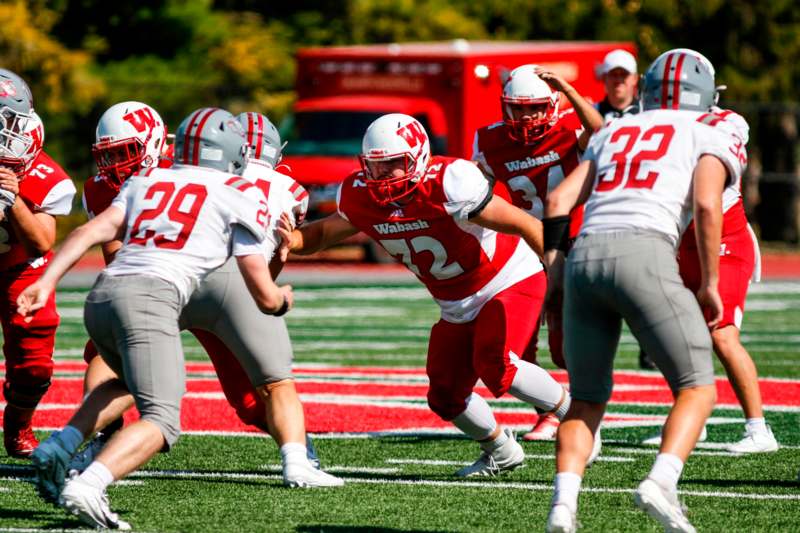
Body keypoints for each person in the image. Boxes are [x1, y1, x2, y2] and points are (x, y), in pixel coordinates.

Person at [22, 107, 293, 530]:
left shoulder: (144, 181)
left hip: (104, 295)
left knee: (128, 382)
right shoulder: (239, 189)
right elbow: (257, 282)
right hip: (154, 297)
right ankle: (91, 483)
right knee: (162, 418)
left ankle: (61, 444)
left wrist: (47, 281)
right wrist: (279, 302)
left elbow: (88, 233)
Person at [280, 113, 584, 478]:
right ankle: (501, 450)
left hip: (508, 277)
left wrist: (560, 280)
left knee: (496, 364)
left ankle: (579, 417)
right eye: (376, 166)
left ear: (419, 157)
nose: (384, 175)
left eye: (395, 164)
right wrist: (289, 239)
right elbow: (319, 237)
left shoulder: (450, 183)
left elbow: (526, 223)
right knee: (444, 396)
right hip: (455, 302)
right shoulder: (361, 196)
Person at [73, 103, 338, 487]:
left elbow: (247, 239)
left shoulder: (182, 168)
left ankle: (298, 449)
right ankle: (101, 438)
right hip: (158, 285)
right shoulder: (103, 188)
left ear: (152, 145)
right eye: (108, 155)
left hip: (213, 283)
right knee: (105, 358)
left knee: (250, 399)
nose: (114, 164)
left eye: (125, 153)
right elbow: (117, 255)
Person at [541, 50, 743, 532]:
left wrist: (555, 270)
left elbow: (557, 200)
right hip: (646, 249)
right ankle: (662, 481)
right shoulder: (708, 131)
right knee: (696, 386)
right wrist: (711, 282)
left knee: (586, 398)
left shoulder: (612, 129)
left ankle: (563, 508)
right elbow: (707, 205)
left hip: (585, 256)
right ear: (704, 94)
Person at [639, 50, 778, 454]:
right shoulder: (651, 125)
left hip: (724, 244)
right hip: (682, 244)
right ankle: (692, 421)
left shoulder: (726, 124)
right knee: (677, 337)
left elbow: (706, 196)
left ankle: (759, 429)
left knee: (722, 336)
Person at [472, 64, 603, 441]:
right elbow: (478, 193)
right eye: (518, 108)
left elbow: (601, 131)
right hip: (524, 249)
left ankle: (582, 408)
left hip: (572, 244)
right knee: (517, 340)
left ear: (552, 105)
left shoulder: (568, 127)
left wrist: (569, 90)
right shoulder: (489, 140)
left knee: (564, 347)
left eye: (534, 108)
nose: (526, 117)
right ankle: (549, 411)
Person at [0, 69, 77, 458]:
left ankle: (18, 425)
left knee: (33, 368)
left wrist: (11, 198)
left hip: (20, 269)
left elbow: (41, 242)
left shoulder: (43, 173)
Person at [595, 49, 640, 124]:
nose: (618, 80)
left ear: (635, 78)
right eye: (613, 74)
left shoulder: (647, 112)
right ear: (604, 78)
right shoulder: (592, 112)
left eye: (624, 74)